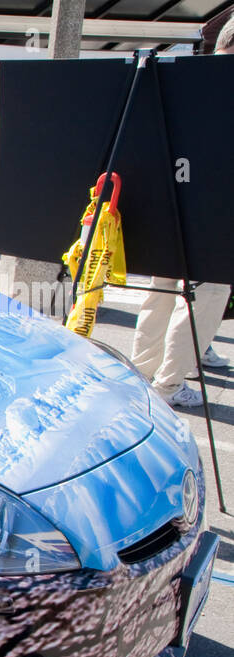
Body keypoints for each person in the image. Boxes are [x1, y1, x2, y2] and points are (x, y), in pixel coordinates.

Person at [128, 17, 233, 407]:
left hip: (171, 204)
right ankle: (169, 384)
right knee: (205, 298)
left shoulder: (183, 76)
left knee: (160, 292)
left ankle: (139, 373)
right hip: (216, 214)